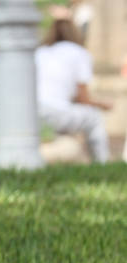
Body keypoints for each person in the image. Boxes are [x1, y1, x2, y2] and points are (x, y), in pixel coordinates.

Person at [35, 15, 116, 163]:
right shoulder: (79, 53)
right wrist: (103, 105)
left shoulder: (40, 52)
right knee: (94, 117)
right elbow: (83, 99)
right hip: (55, 112)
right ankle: (102, 162)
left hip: (33, 112)